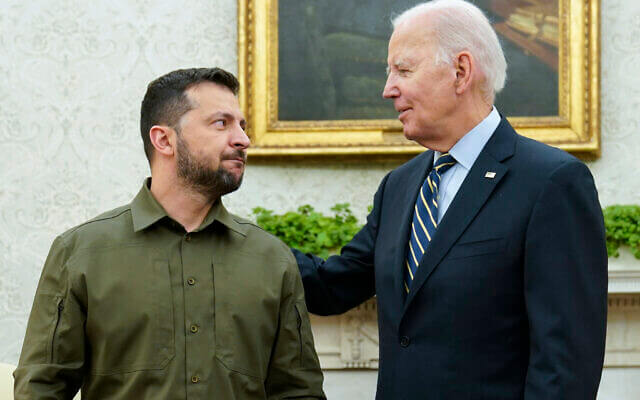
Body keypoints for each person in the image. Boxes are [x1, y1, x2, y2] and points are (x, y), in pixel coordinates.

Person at [293, 1, 608, 399]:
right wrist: (227, 235)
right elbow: (332, 285)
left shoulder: (551, 182)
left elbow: (565, 369)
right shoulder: (400, 186)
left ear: (461, 71)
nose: (388, 89)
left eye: (403, 70)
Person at [14, 67, 325, 399]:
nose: (243, 140)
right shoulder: (80, 253)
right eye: (221, 123)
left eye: (242, 126)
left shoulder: (272, 259)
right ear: (164, 139)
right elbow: (41, 389)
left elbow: (298, 392)